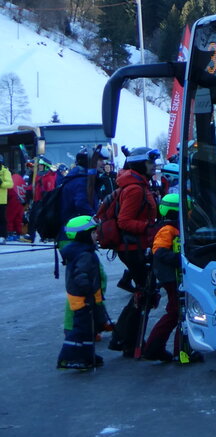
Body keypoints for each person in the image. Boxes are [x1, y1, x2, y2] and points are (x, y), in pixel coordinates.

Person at [108, 147, 160, 357]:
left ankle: (125, 339)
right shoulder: (135, 189)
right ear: (140, 165)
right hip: (132, 247)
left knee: (143, 293)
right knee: (144, 294)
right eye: (150, 163)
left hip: (135, 246)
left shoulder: (139, 185)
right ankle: (128, 340)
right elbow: (125, 222)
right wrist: (150, 229)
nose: (154, 166)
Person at [141, 193, 197, 363]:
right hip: (171, 277)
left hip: (174, 276)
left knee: (179, 311)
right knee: (176, 312)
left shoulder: (176, 228)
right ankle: (157, 348)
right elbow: (159, 251)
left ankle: (175, 349)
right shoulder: (167, 229)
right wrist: (182, 260)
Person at [56, 215, 106, 370]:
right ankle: (68, 358)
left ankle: (86, 355)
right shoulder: (84, 254)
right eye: (93, 233)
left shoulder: (84, 251)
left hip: (87, 296)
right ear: (84, 235)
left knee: (88, 329)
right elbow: (81, 275)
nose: (96, 235)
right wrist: (88, 290)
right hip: (83, 298)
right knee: (80, 330)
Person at [59, 148, 98, 222]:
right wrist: (95, 217)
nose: (102, 163)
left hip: (70, 224)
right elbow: (81, 203)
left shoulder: (74, 177)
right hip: (78, 227)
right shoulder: (81, 180)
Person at [0, 155, 13, 242]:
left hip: (1, 200)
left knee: (1, 218)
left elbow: (10, 184)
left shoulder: (5, 171)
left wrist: (1, 183)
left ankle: (2, 235)